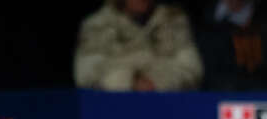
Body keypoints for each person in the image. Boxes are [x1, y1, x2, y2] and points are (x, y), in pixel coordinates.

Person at [74, 0, 203, 91]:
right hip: (112, 110)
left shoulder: (174, 21)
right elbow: (86, 74)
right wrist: (130, 82)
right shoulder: (97, 25)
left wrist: (156, 82)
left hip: (169, 108)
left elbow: (192, 69)